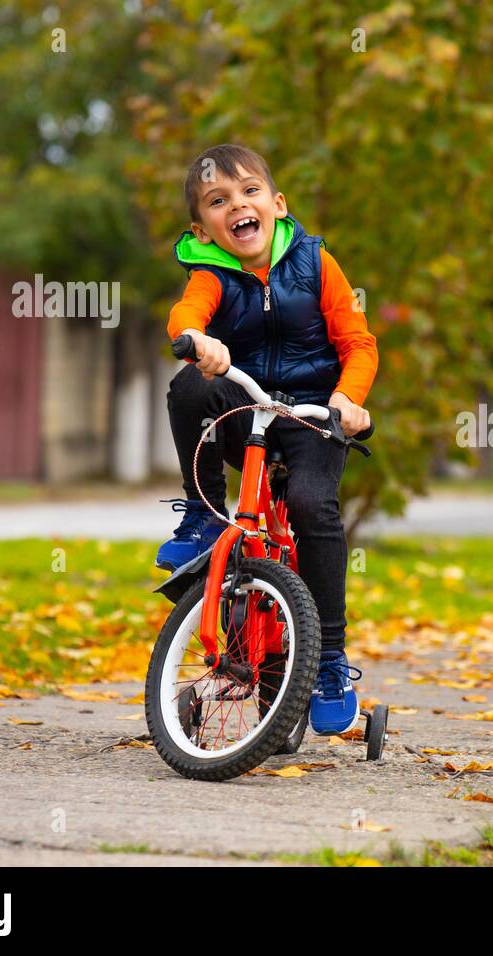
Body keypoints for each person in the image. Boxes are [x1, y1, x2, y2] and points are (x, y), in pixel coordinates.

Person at [158, 143, 377, 736]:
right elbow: (185, 314)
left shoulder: (314, 262)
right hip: (246, 409)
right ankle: (202, 517)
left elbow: (358, 342)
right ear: (202, 226)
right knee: (191, 388)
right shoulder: (210, 276)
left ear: (277, 204)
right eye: (218, 201)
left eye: (250, 192)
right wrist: (200, 342)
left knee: (311, 506)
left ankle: (328, 659)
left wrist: (347, 402)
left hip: (313, 415)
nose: (238, 206)